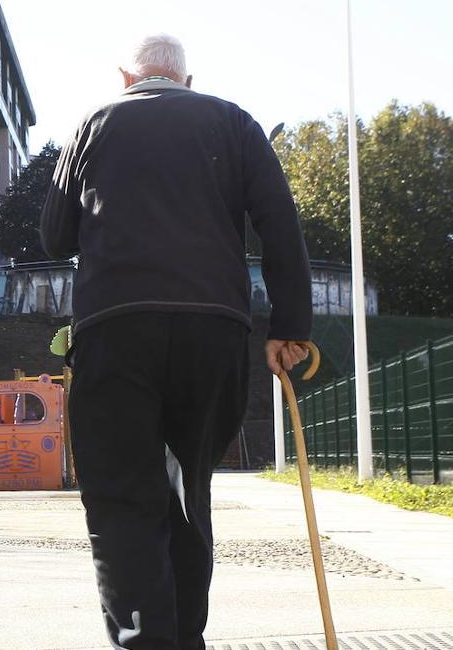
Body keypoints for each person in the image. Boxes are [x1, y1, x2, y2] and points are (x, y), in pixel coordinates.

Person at [40, 34, 313, 650]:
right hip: (212, 332)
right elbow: (279, 221)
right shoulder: (234, 122)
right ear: (188, 82)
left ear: (125, 77)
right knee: (189, 486)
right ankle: (186, 640)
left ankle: (145, 641)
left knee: (123, 498)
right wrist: (290, 327)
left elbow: (54, 236)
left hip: (116, 328)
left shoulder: (94, 124)